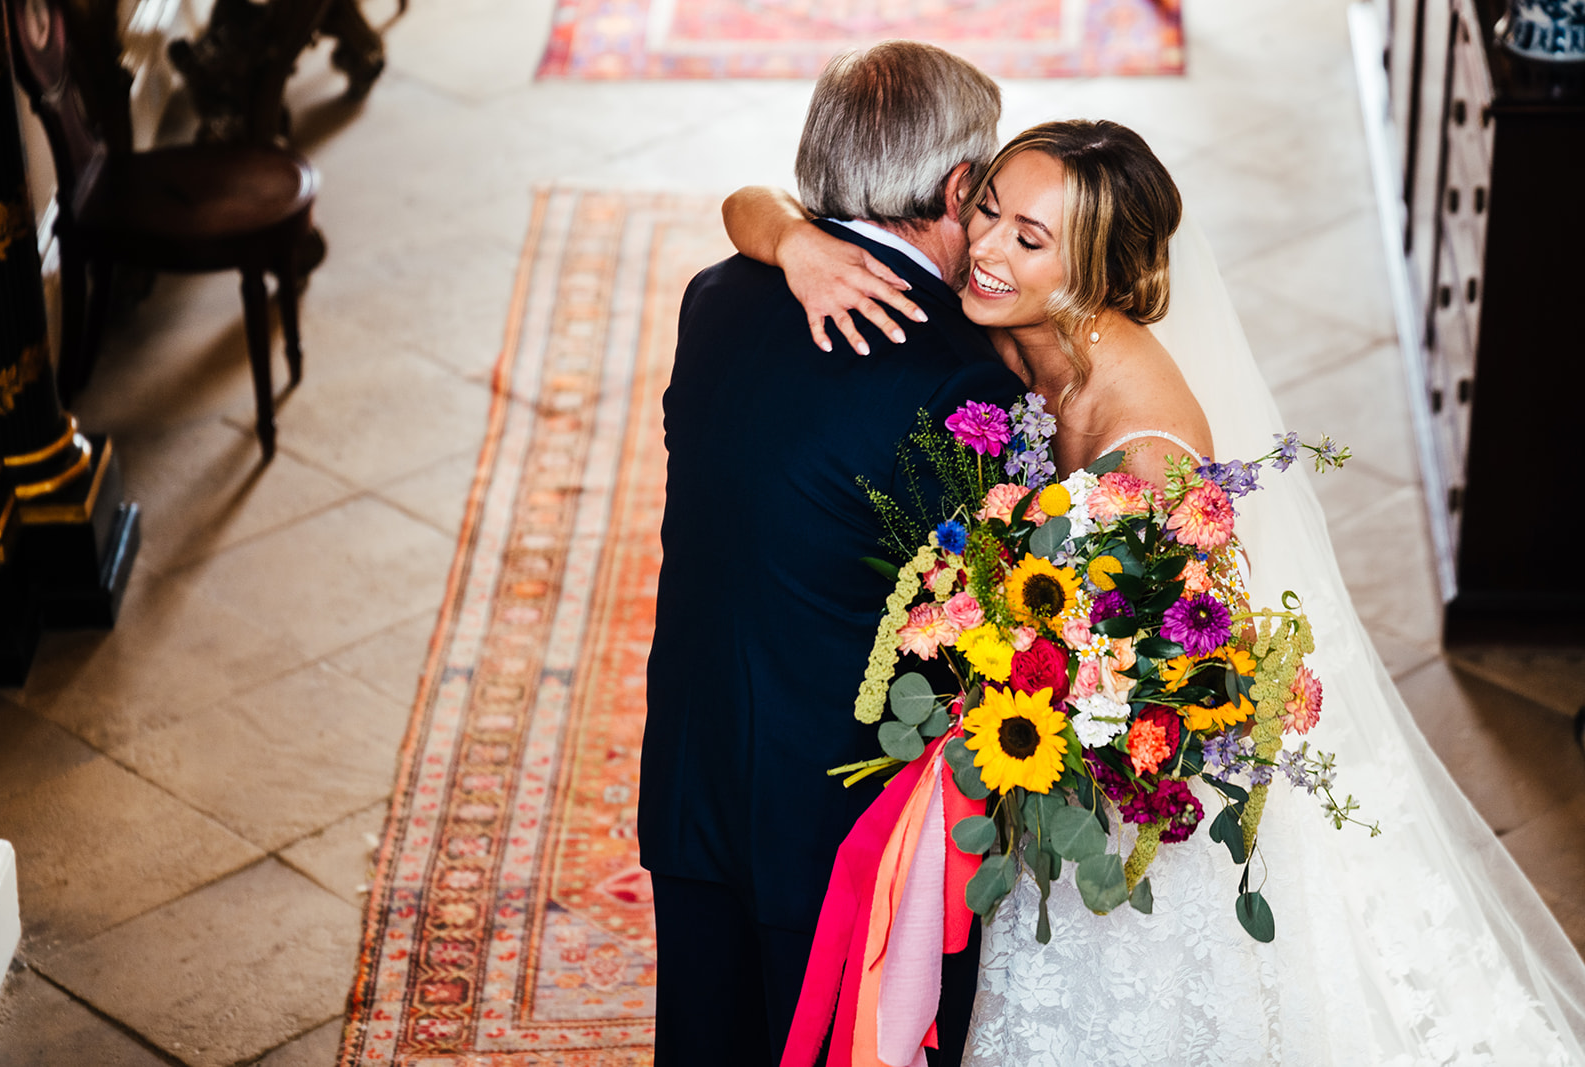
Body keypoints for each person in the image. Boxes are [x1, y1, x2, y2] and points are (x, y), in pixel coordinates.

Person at [725, 119, 1585, 1062]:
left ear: (1093, 271)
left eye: (1029, 237)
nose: (984, 249)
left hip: (1138, 792)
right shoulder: (1020, 326)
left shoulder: (1145, 441)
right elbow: (745, 205)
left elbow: (1186, 669)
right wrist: (797, 241)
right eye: (988, 211)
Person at [638, 41, 1025, 1067]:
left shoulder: (715, 295)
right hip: (835, 818)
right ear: (956, 187)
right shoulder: (960, 379)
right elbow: (984, 625)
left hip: (691, 757)